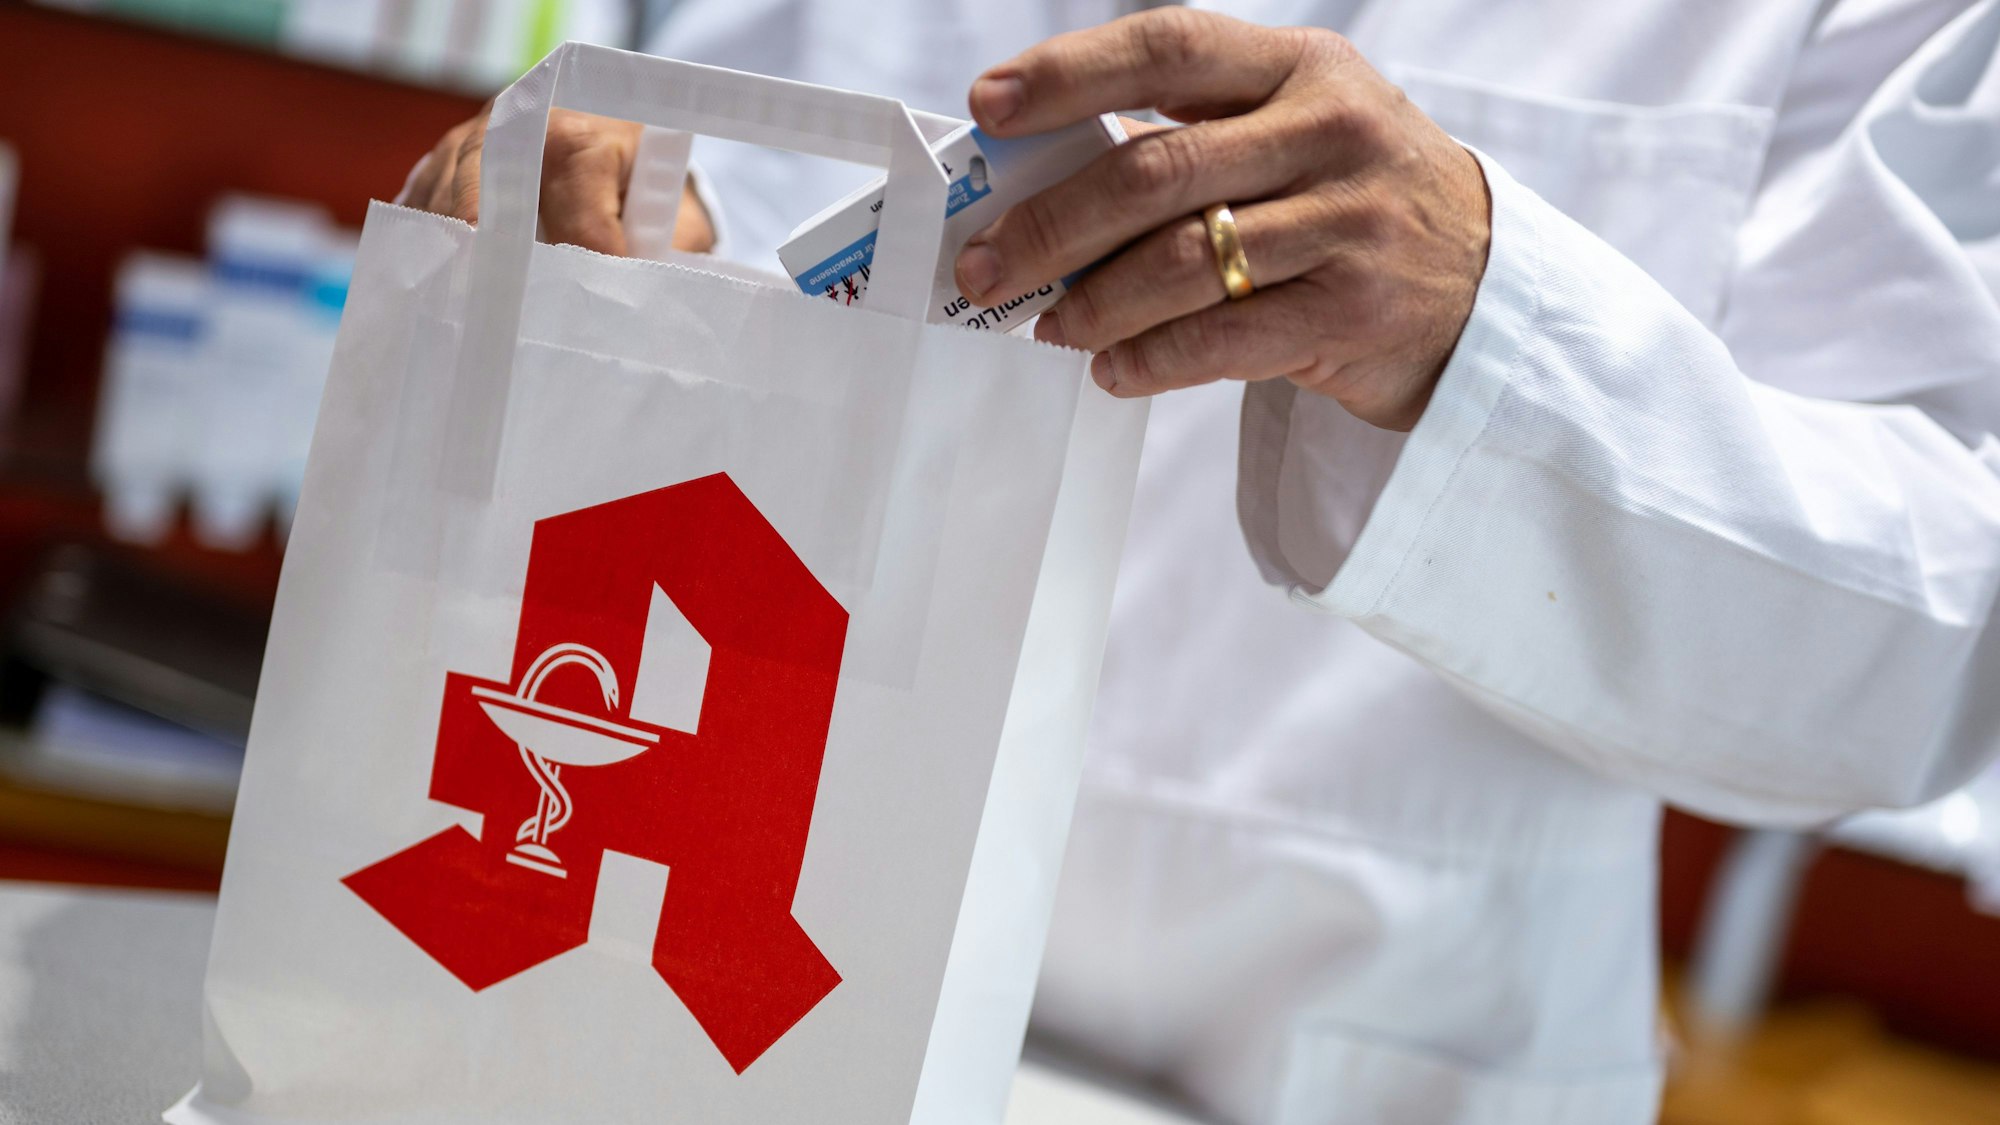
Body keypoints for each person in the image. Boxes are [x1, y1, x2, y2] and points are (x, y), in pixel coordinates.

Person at [402, 3, 2000, 1122]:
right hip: (738, 1030)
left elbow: (1936, 644)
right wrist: (581, 248)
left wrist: (1491, 327)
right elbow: (712, 245)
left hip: (1354, 1072)